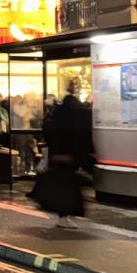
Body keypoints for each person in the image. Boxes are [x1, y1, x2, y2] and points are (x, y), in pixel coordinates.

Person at [34, 80, 91, 228]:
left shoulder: (57, 117)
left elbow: (49, 132)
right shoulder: (74, 118)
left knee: (62, 188)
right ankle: (65, 217)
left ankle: (63, 216)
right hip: (66, 158)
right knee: (68, 189)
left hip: (58, 157)